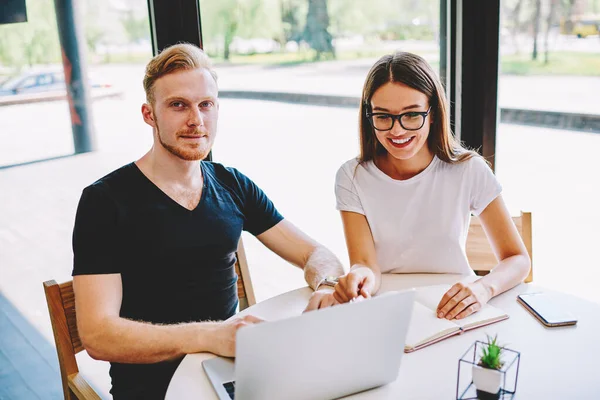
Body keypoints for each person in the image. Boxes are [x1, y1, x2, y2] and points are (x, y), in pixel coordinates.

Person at [72, 43, 343, 399]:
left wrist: (326, 283)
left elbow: (317, 254)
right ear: (149, 114)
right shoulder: (104, 202)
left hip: (234, 372)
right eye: (178, 105)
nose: (196, 120)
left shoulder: (232, 183)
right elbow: (98, 335)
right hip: (155, 388)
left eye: (206, 105)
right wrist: (209, 335)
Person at [332, 52, 531, 321]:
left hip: (456, 309)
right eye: (383, 117)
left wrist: (483, 288)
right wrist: (359, 277)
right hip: (386, 310)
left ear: (433, 113)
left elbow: (518, 259)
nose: (397, 131)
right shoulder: (352, 176)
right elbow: (366, 264)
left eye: (412, 115)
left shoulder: (468, 169)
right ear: (369, 116)